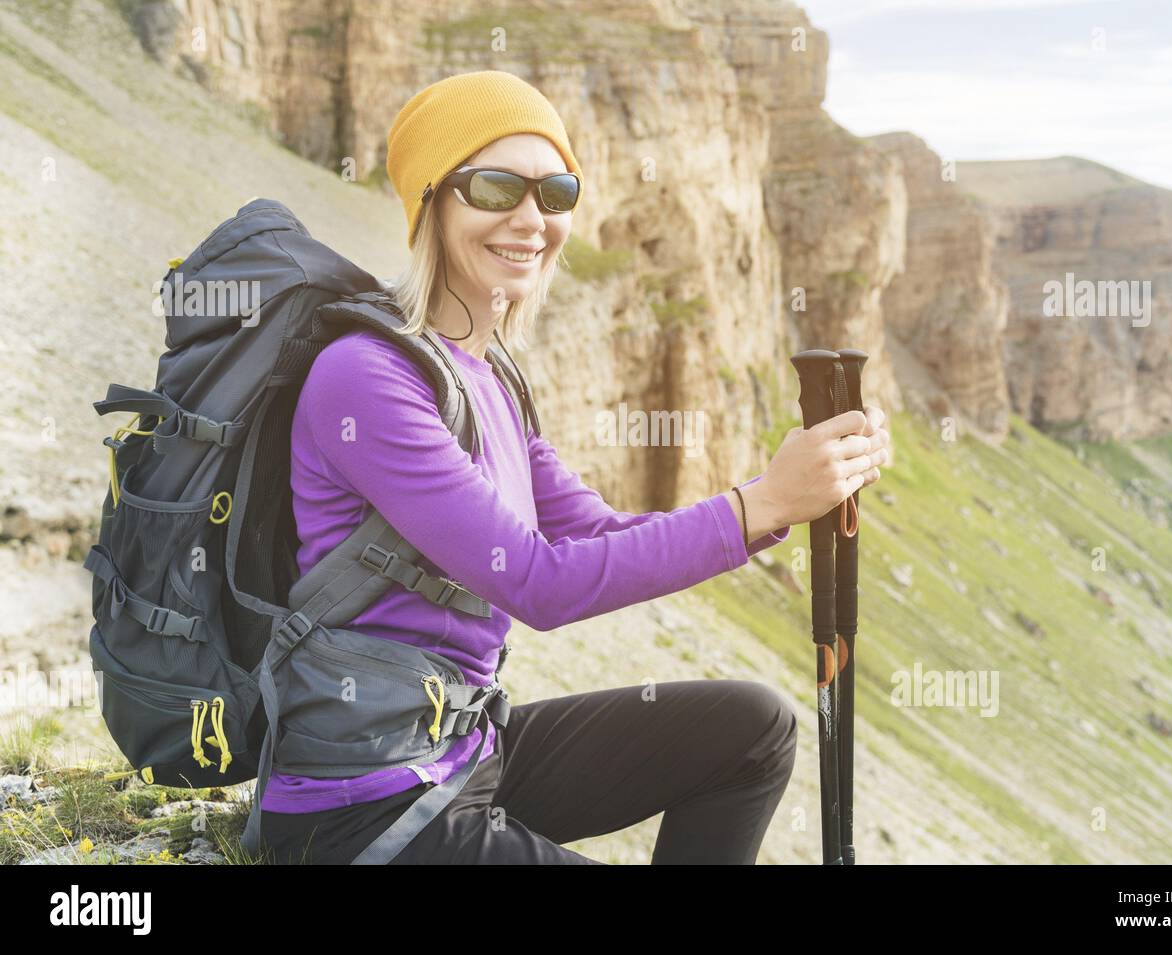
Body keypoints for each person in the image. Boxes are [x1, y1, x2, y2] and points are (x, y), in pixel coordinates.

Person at [256, 70, 891, 864]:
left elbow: (596, 531)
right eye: (494, 187)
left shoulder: (492, 376)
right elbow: (538, 581)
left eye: (554, 191)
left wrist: (793, 496)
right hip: (364, 804)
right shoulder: (366, 378)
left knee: (753, 727)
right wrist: (761, 502)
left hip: (464, 751)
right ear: (432, 201)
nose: (531, 219)